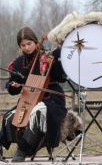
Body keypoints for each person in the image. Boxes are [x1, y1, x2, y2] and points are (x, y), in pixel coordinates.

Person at [0, 27, 67, 162]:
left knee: (38, 113)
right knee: (10, 116)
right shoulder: (18, 63)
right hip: (29, 99)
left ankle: (23, 149)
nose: (26, 47)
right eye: (23, 45)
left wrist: (58, 56)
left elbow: (61, 77)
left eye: (29, 43)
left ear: (36, 42)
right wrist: (12, 85)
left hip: (52, 100)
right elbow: (13, 89)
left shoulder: (47, 57)